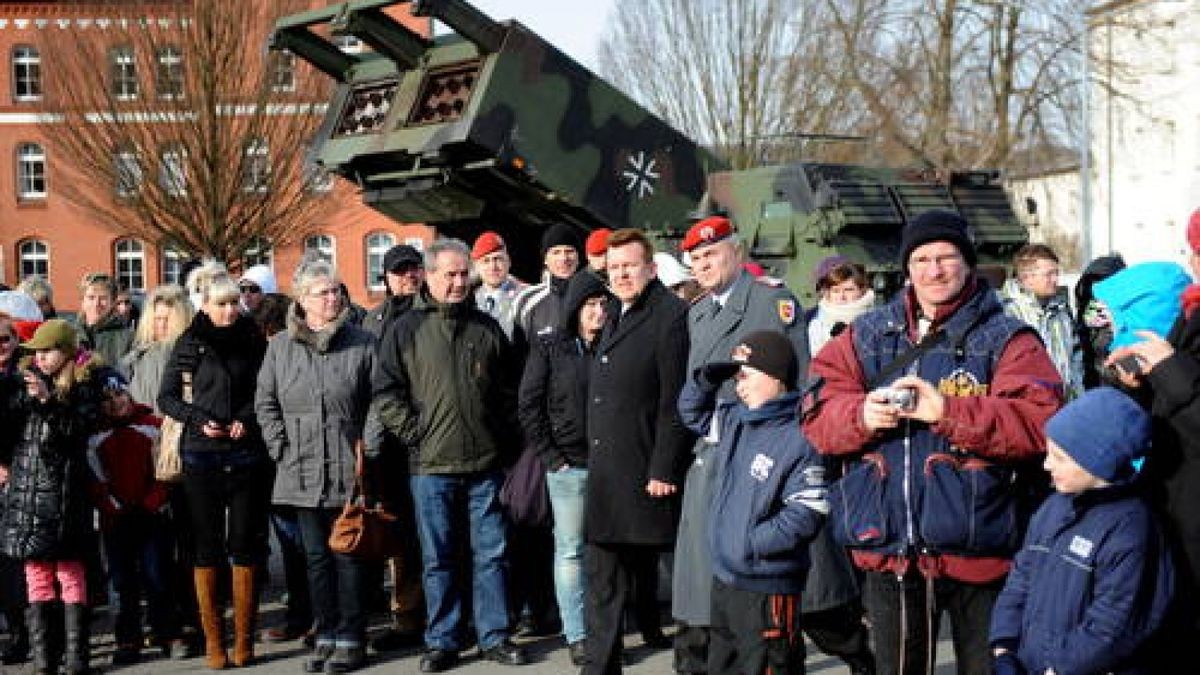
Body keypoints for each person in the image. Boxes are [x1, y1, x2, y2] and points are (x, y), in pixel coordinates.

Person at [801, 210, 1063, 675]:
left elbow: (1040, 421)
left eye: (946, 257)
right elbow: (816, 412)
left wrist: (948, 412)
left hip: (981, 549)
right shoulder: (866, 334)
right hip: (889, 551)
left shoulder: (1008, 339)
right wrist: (860, 415)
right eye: (921, 259)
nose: (934, 270)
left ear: (967, 262)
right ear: (906, 267)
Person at [671, 216, 821, 675]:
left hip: (761, 461)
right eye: (695, 259)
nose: (702, 265)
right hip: (714, 453)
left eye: (711, 255)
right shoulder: (698, 311)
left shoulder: (769, 301)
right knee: (713, 608)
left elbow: (800, 380)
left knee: (765, 633)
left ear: (736, 253)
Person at [371, 238, 527, 672]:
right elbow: (386, 392)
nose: (459, 282)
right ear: (430, 276)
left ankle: (495, 635)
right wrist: (416, 434)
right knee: (438, 559)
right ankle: (443, 639)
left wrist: (502, 436)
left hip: (485, 464)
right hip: (431, 466)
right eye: (450, 275)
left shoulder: (486, 327)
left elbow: (510, 390)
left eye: (464, 275)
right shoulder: (406, 329)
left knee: (491, 554)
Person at [989, 388, 1174, 675]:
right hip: (1030, 663)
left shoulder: (1131, 528)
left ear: (1097, 461)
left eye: (1059, 457)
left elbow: (1114, 625)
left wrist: (1058, 669)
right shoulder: (1051, 509)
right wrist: (1005, 647)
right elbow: (1020, 580)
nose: (1046, 464)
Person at [678, 330, 829, 675]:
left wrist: (751, 544)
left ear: (776, 377)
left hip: (767, 586)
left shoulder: (799, 437)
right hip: (726, 579)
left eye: (745, 377)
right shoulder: (735, 419)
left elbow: (808, 512)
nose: (739, 386)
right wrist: (706, 379)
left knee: (769, 665)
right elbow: (690, 411)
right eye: (736, 378)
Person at [256, 261, 377, 673]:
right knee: (315, 558)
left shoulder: (362, 341)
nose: (333, 298)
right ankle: (324, 633)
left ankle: (352, 636)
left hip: (348, 466)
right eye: (323, 292)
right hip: (300, 467)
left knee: (348, 554)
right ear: (302, 299)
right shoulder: (279, 347)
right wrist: (279, 447)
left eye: (336, 291)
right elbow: (265, 402)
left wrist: (368, 446)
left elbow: (379, 399)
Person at [583, 228, 693, 675]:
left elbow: (675, 400)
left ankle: (699, 661)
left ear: (651, 266)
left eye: (629, 265)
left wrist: (664, 466)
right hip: (610, 475)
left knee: (681, 575)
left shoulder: (670, 316)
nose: (622, 274)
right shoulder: (615, 313)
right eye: (614, 268)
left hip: (649, 471)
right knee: (602, 579)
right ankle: (600, 665)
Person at [158, 261, 271, 670]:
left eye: (234, 303)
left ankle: (243, 640)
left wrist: (248, 419)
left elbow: (266, 389)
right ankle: (213, 642)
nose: (230, 311)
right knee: (205, 547)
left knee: (245, 543)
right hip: (200, 454)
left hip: (245, 454)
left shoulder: (254, 339)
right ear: (204, 305)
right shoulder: (189, 341)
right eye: (221, 304)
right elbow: (166, 396)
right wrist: (197, 418)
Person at [1103, 211, 1200, 664]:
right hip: (1174, 522)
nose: (1194, 261)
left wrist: (1172, 372)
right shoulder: (1189, 317)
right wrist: (1134, 387)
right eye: (1195, 251)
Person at [518, 272, 611, 666]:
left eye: (604, 305)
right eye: (590, 305)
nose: (599, 312)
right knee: (570, 551)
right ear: (575, 309)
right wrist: (552, 458)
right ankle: (577, 633)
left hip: (610, 466)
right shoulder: (550, 347)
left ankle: (605, 626)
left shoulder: (614, 344)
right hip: (568, 466)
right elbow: (529, 405)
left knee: (606, 551)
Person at [0, 319, 103, 675]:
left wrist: (47, 402)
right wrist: (15, 399)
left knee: (71, 573)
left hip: (65, 497)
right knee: (36, 575)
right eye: (36, 353)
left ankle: (76, 657)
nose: (40, 359)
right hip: (27, 497)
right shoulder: (19, 385)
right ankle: (43, 659)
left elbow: (75, 435)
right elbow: (6, 437)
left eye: (47, 351)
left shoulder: (85, 387)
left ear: (66, 352)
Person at [85, 368, 178, 665]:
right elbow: (96, 479)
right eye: (107, 399)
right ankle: (127, 638)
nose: (116, 403)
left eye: (120, 394)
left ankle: (165, 631)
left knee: (158, 575)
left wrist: (154, 500)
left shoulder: (151, 425)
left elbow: (166, 468)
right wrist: (112, 506)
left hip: (151, 514)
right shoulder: (96, 436)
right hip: (116, 518)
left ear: (129, 393)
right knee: (121, 582)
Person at [361, 242, 427, 652]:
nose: (408, 276)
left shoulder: (430, 310)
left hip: (425, 437)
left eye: (413, 269)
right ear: (386, 277)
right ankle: (405, 617)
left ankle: (442, 616)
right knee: (398, 535)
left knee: (435, 534)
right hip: (386, 444)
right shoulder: (372, 321)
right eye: (400, 270)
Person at [998, 244, 1083, 400]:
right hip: (1026, 407)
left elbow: (1075, 357)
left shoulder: (1061, 309)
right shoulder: (1005, 312)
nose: (1056, 280)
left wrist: (1078, 397)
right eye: (1049, 274)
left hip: (1064, 405)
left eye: (1056, 273)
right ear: (1027, 279)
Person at [0, 311, 29, 666]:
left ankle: (21, 633)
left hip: (20, 477)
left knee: (14, 562)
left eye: (5, 339)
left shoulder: (25, 378)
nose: (0, 347)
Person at [121, 284, 193, 414]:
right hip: (143, 427)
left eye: (168, 319)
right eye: (158, 319)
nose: (162, 325)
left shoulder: (191, 353)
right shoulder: (136, 355)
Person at [513, 223, 582, 343]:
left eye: (569, 251)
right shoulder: (526, 300)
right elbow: (519, 350)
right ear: (545, 259)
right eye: (556, 252)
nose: (564, 258)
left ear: (578, 257)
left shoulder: (593, 297)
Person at [1073, 253, 1125, 390]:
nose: (1097, 289)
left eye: (1103, 283)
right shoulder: (1086, 313)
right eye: (1094, 283)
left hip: (1119, 386)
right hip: (1091, 385)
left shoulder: (1128, 314)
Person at [807, 256, 876, 356]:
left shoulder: (877, 319)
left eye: (849, 290)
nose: (842, 296)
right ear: (827, 292)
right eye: (836, 291)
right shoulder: (812, 323)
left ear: (862, 290)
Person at [472, 231, 526, 340]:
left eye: (498, 259)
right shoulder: (470, 300)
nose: (493, 266)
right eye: (486, 261)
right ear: (476, 267)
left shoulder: (526, 296)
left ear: (509, 261)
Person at [72, 273, 134, 368]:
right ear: (82, 301)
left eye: (103, 298)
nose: (97, 304)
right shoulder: (70, 334)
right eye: (91, 297)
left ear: (112, 303)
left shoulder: (127, 337)